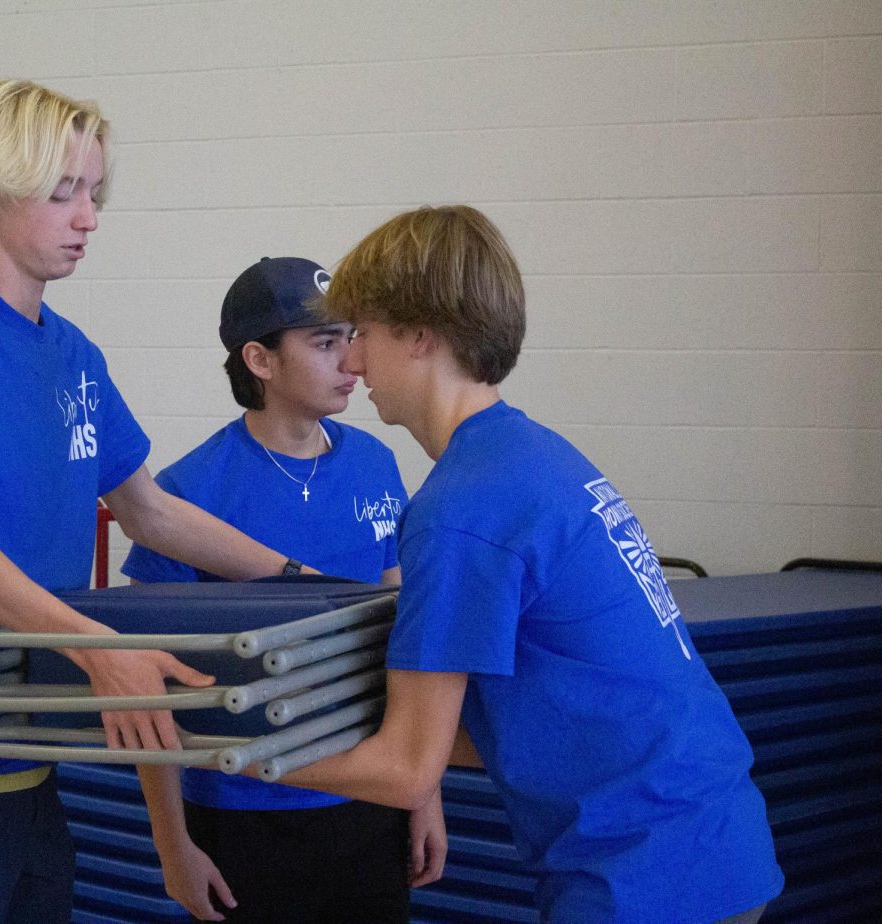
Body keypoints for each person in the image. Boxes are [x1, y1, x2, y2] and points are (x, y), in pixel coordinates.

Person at [0, 80, 317, 924]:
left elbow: (150, 510)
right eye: (63, 192)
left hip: (28, 735)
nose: (88, 215)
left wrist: (301, 578)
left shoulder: (74, 356)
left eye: (93, 192)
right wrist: (96, 644)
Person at [265, 205, 785, 924]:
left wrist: (217, 749)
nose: (352, 362)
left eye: (363, 334)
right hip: (713, 844)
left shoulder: (463, 508)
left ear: (419, 335)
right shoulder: (533, 455)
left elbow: (407, 769)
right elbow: (525, 720)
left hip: (645, 873)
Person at [122, 256, 445, 922]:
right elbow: (146, 685)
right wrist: (172, 843)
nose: (352, 361)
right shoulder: (190, 494)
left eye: (350, 338)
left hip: (370, 795)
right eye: (326, 344)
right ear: (260, 361)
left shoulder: (375, 463)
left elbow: (406, 639)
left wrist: (424, 789)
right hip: (243, 814)